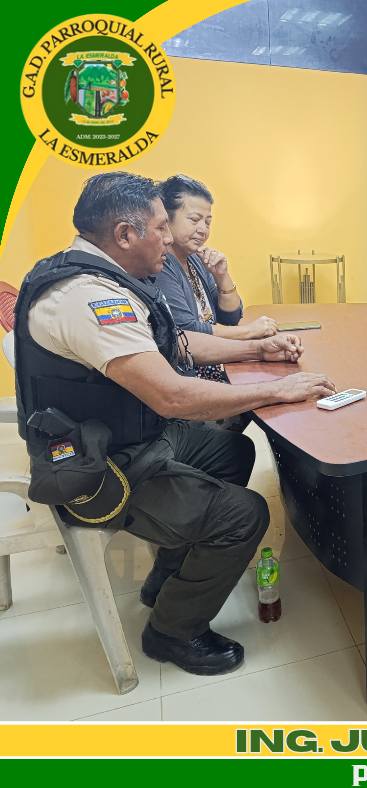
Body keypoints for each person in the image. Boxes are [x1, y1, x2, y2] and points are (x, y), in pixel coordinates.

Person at [14, 172, 336, 676]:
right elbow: (172, 395)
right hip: (100, 466)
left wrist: (257, 349)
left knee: (234, 452)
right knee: (245, 515)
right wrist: (277, 389)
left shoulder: (112, 276)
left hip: (131, 434)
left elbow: (179, 343)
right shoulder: (88, 298)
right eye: (161, 226)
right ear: (125, 234)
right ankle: (172, 632)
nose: (169, 238)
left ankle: (168, 574)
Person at [156, 174, 277, 382]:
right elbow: (188, 330)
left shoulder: (195, 258)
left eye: (207, 222)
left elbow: (231, 317)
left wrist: (222, 276)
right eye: (195, 220)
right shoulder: (161, 264)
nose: (203, 229)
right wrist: (250, 331)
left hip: (219, 360)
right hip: (194, 376)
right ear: (166, 220)